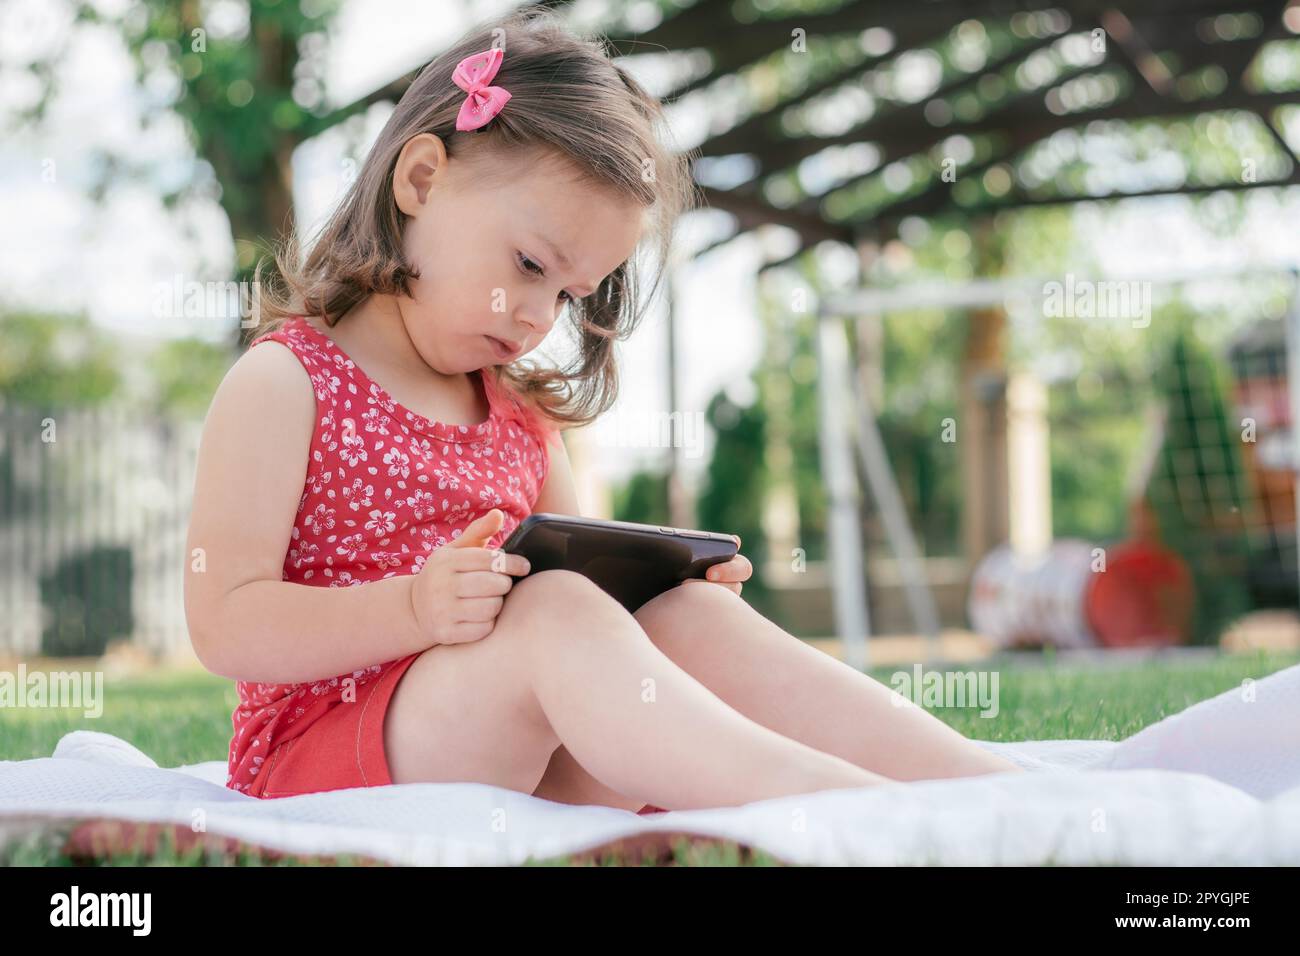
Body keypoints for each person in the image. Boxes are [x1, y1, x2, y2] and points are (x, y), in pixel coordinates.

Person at [183, 7, 1023, 813]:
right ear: (422, 178)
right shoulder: (289, 381)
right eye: (528, 262)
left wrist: (660, 589)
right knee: (553, 611)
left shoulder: (518, 418)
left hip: (526, 753)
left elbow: (589, 608)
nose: (539, 316)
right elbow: (223, 622)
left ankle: (981, 786)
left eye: (568, 293)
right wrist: (411, 609)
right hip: (328, 755)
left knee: (680, 615)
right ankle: (848, 811)